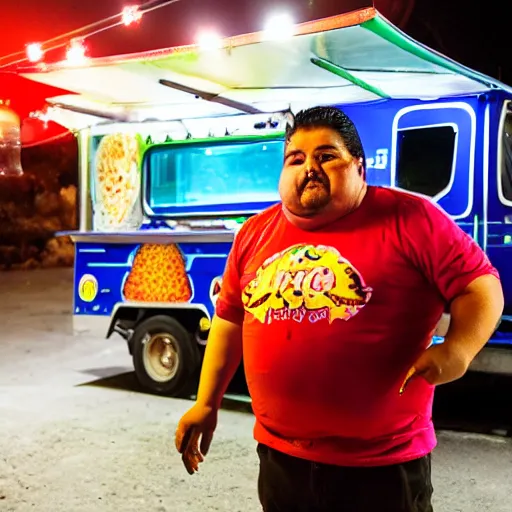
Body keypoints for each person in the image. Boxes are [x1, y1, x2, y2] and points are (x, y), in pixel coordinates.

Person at [175, 106, 504, 512]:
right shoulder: (254, 233)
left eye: (326, 156)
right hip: (282, 459)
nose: (309, 167)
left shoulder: (412, 218)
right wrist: (207, 403)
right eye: (296, 158)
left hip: (382, 467)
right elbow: (229, 320)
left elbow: (481, 286)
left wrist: (460, 349)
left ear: (359, 167)